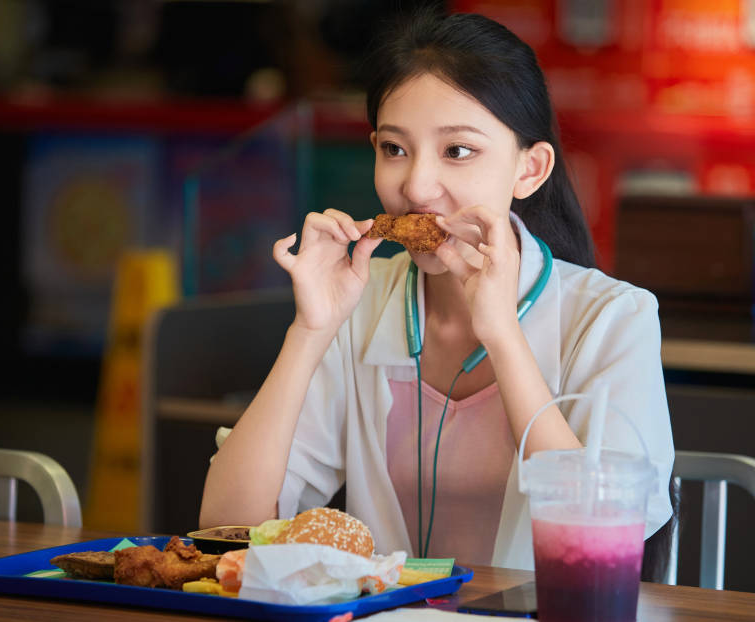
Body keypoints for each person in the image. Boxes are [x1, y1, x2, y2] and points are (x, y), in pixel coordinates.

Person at [199, 8, 674, 570]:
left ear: (531, 169)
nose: (417, 186)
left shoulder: (613, 318)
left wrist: (501, 333)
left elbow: (599, 536)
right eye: (395, 149)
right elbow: (225, 530)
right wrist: (311, 331)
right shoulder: (358, 301)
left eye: (458, 151)